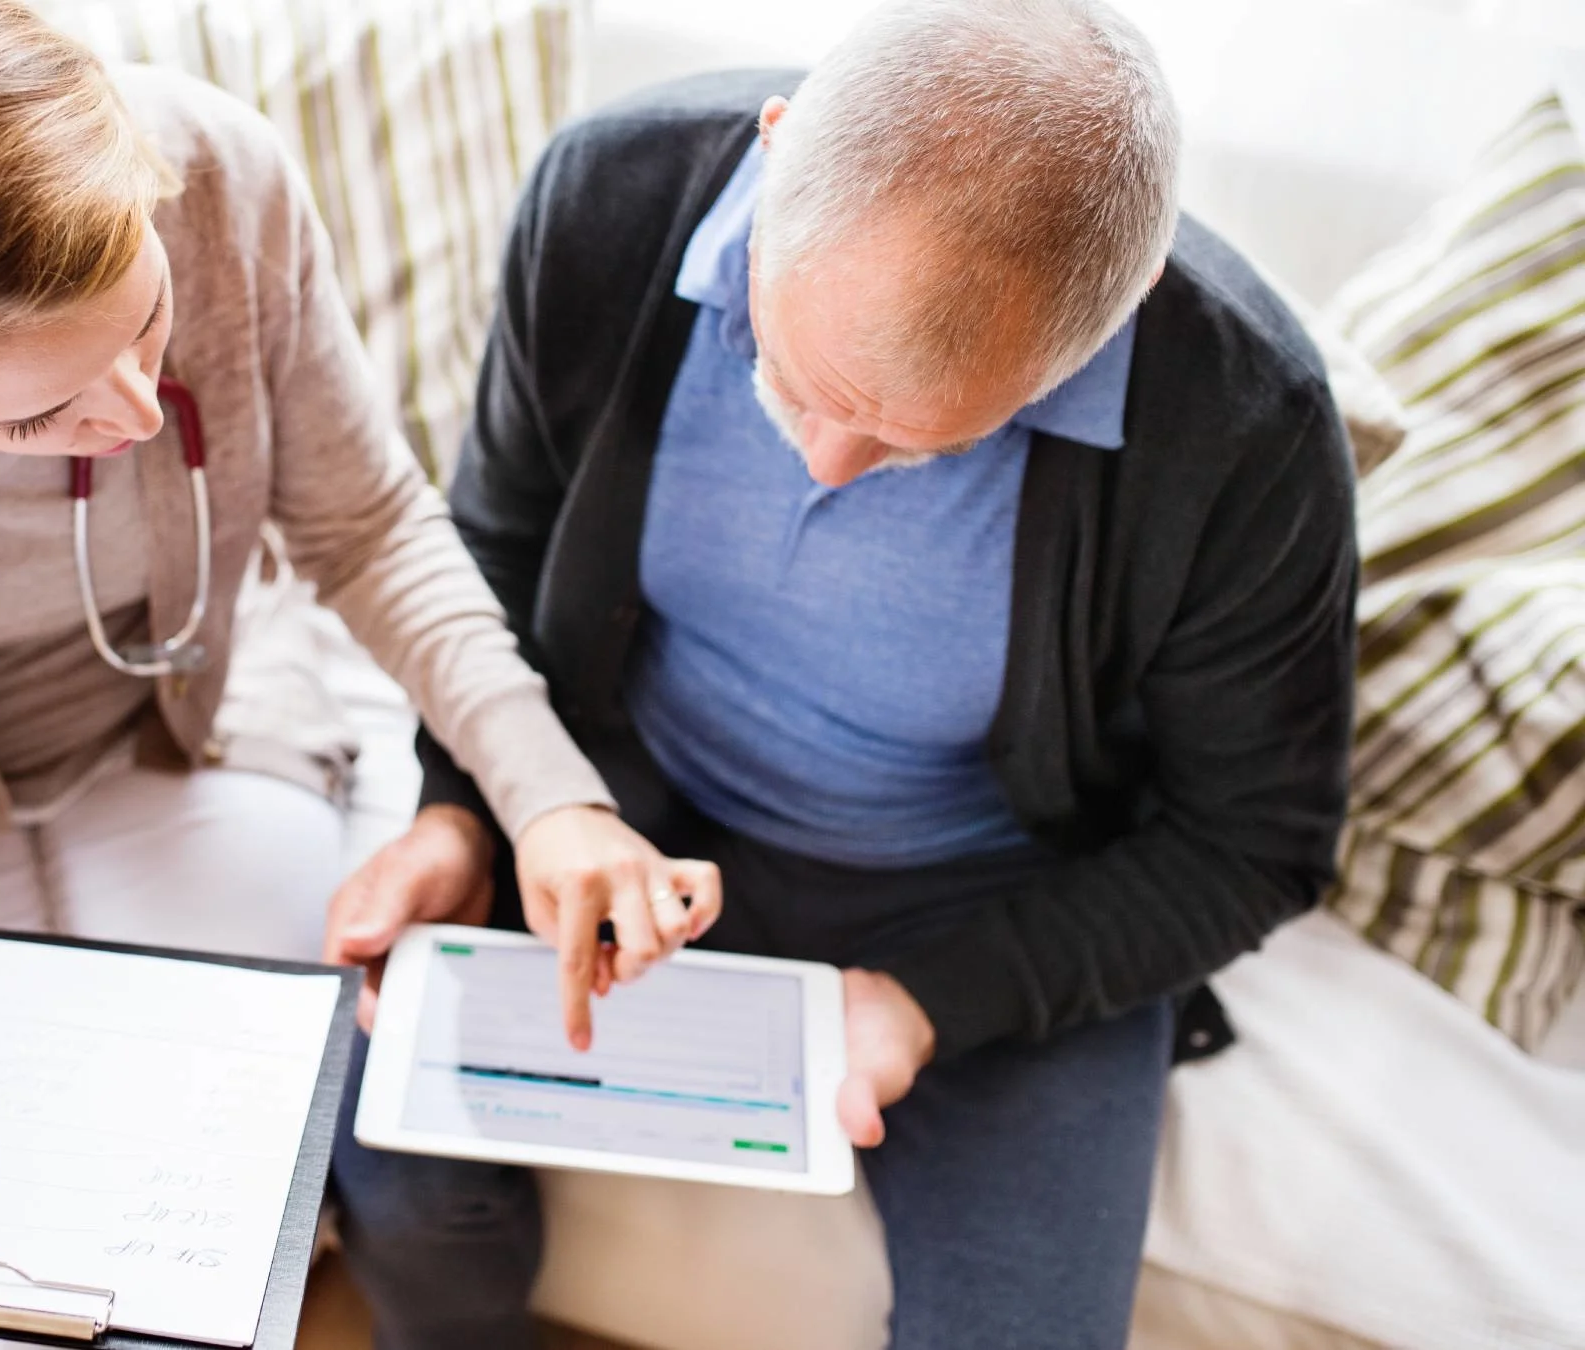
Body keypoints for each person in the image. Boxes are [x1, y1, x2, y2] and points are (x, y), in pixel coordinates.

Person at [324, 1, 1358, 1346]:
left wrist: (934, 1000)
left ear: (1115, 314)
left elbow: (1257, 842)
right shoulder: (602, 200)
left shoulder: (1245, 422)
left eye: (918, 441)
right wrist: (469, 807)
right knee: (393, 1176)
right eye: (794, 374)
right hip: (622, 808)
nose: (823, 462)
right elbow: (501, 550)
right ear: (778, 149)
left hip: (999, 891)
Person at [0, 0, 724, 1115]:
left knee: (250, 1104)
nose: (139, 419)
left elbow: (365, 528)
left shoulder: (220, 179)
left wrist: (550, 796)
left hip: (192, 720)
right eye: (33, 417)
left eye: (146, 320)